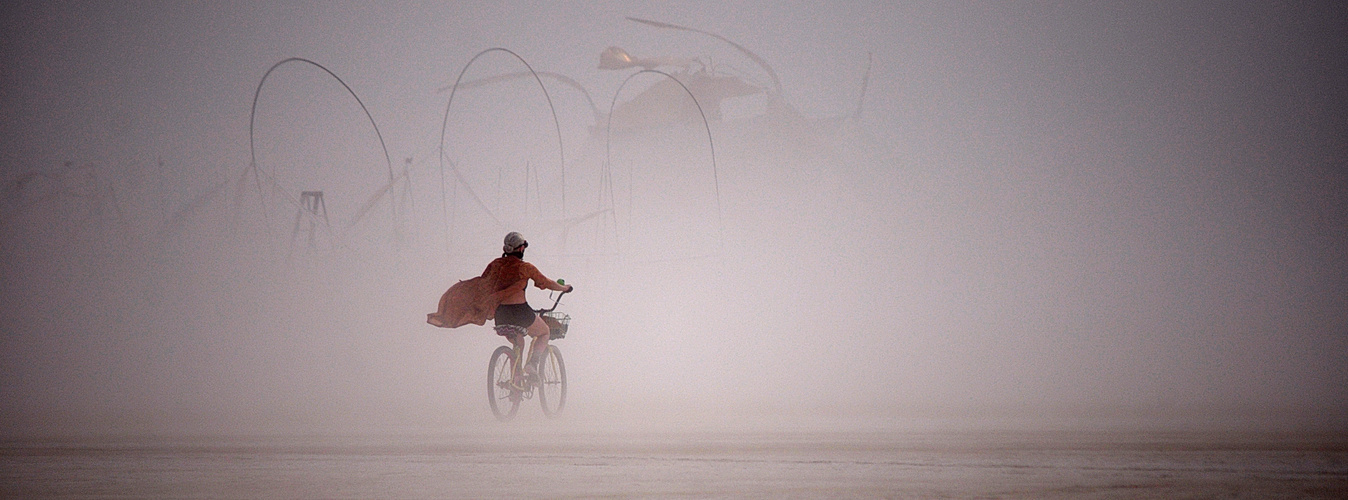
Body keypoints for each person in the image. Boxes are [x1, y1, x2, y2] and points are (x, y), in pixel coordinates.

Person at [485, 232, 572, 382]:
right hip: (520, 313)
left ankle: (516, 380)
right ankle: (532, 364)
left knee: (519, 343)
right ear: (520, 249)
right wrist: (564, 288)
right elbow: (546, 282)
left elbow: (483, 284)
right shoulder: (524, 267)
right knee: (545, 332)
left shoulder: (495, 265)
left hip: (501, 314)